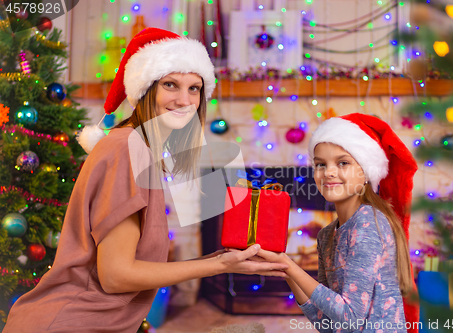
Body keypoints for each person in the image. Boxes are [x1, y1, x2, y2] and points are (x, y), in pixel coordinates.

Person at [4, 28, 287, 333]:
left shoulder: (141, 149)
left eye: (194, 88)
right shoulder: (128, 149)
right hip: (69, 323)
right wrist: (218, 266)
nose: (185, 100)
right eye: (170, 85)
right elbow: (116, 276)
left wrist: (217, 257)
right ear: (145, 89)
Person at [256, 113, 420, 333]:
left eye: (343, 162)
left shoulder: (368, 223)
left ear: (365, 173)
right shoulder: (326, 235)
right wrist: (284, 270)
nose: (329, 172)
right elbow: (327, 323)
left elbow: (350, 317)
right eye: (320, 164)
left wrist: (291, 267)